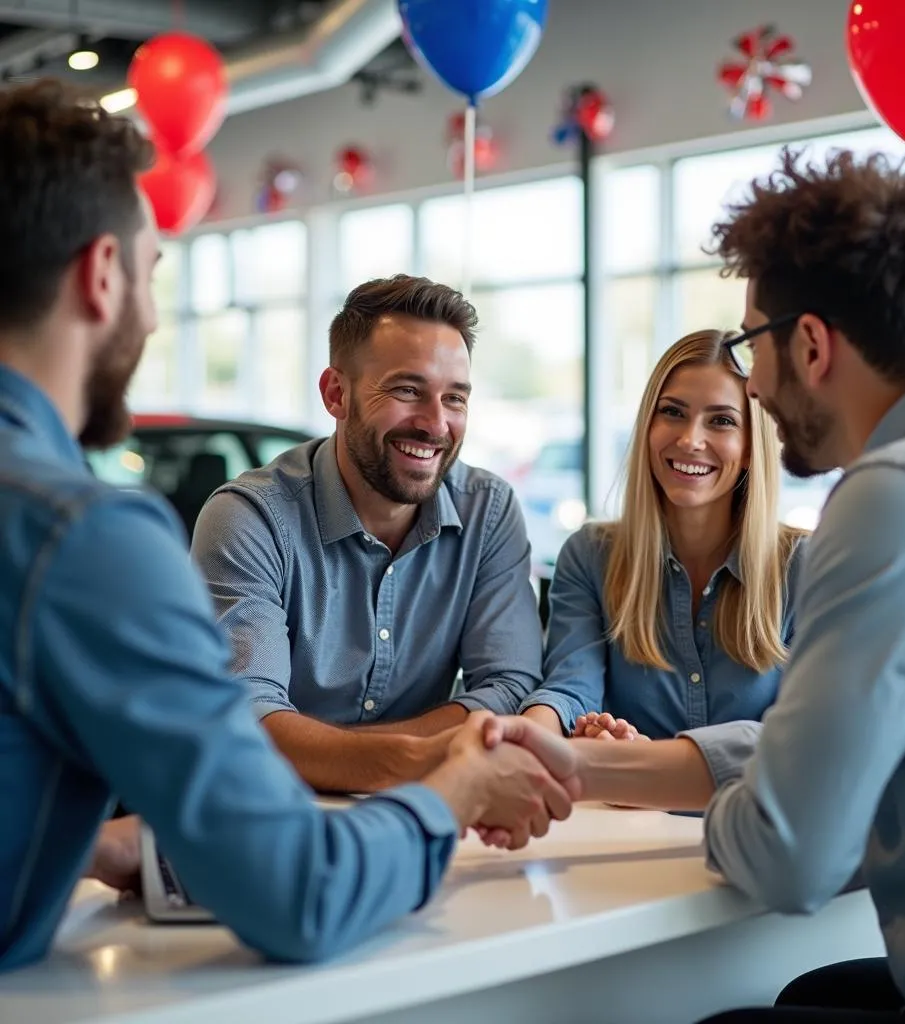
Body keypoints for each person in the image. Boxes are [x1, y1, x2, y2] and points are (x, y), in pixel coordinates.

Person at [0, 79, 577, 974]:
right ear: (101, 274)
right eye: (154, 274)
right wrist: (456, 783)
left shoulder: (489, 510)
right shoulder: (83, 539)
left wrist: (77, 844)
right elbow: (301, 892)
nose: (152, 315)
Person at [479, 148, 905, 1023]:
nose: (757, 385)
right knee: (807, 993)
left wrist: (728, 791)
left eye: (749, 347)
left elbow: (792, 859)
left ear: (809, 343)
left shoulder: (893, 499)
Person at [191, 275, 543, 794]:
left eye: (455, 399)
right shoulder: (250, 518)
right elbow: (248, 719)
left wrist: (330, 753)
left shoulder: (488, 511)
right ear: (337, 393)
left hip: (425, 820)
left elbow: (510, 688)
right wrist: (419, 757)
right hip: (267, 821)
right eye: (407, 390)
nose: (436, 425)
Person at [519, 331, 805, 793]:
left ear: (752, 445)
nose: (691, 440)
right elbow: (570, 689)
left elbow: (800, 743)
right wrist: (533, 736)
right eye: (672, 412)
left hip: (755, 840)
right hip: (630, 836)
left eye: (721, 421)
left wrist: (636, 762)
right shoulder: (591, 555)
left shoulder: (804, 567)